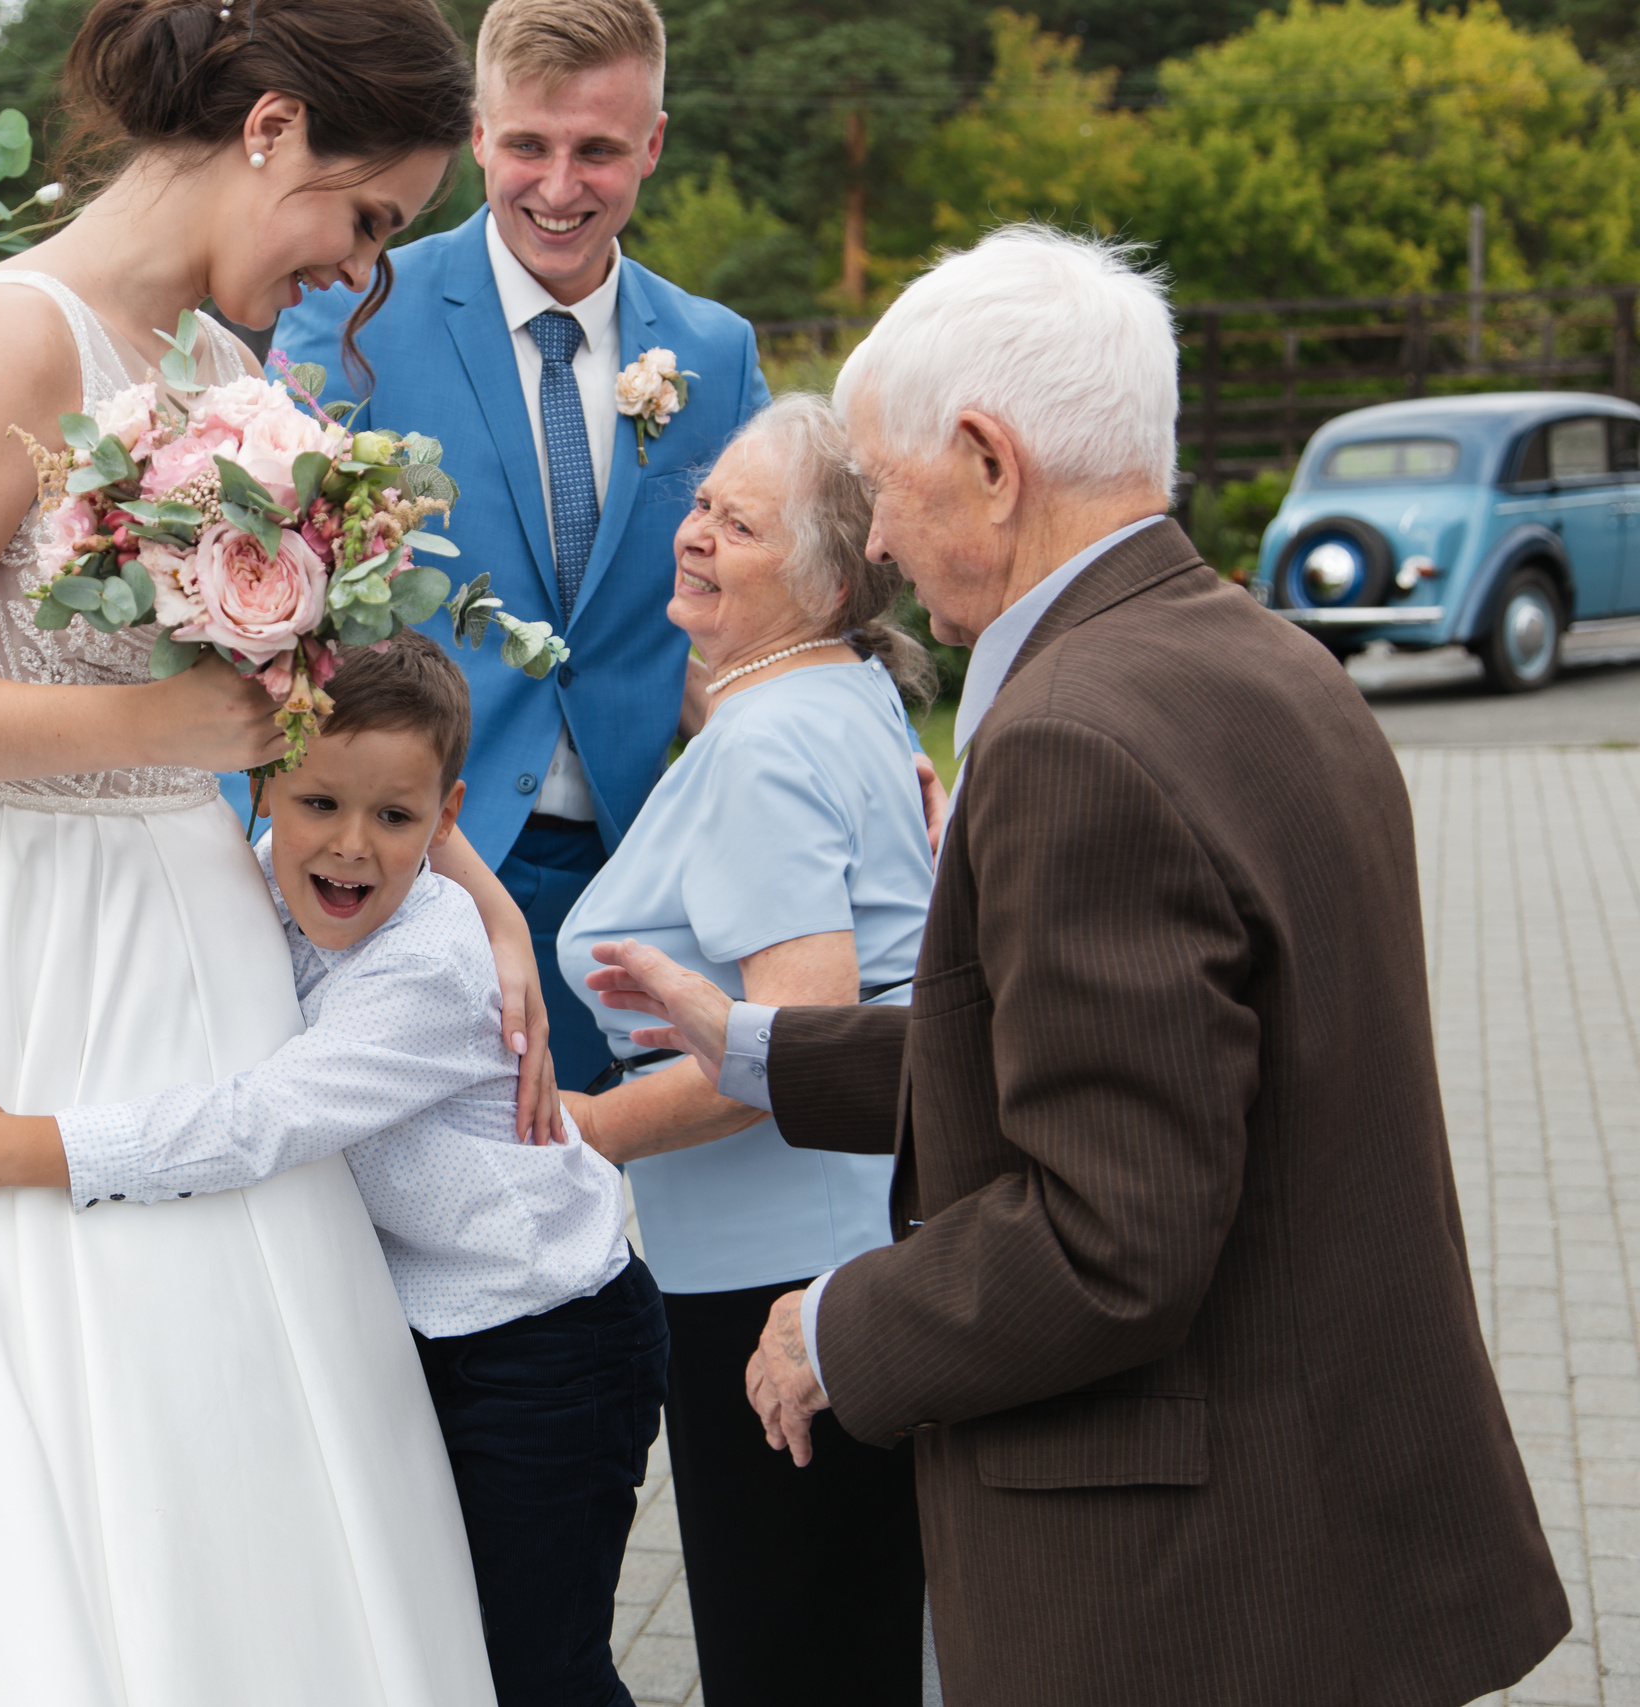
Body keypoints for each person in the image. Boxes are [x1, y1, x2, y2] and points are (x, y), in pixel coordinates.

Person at [0, 6, 531, 1702]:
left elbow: (304, 718)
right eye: (368, 217)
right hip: (14, 943)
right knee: (10, 1393)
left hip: (192, 937)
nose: (360, 273)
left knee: (214, 1375)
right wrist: (160, 736)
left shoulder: (223, 381)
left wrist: (478, 902)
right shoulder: (6, 339)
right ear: (272, 128)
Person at [586, 225, 1571, 1707]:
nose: (884, 547)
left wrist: (842, 1320)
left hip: (1187, 1573)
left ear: (990, 459)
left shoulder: (1071, 737)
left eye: (889, 490)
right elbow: (1102, 1051)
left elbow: (1113, 1234)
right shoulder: (1263, 655)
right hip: (1333, 1509)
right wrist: (757, 1048)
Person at [0, 630, 664, 1707]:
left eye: (393, 819)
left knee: (537, 1668)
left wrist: (27, 1149)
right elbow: (106, 938)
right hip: (420, 1329)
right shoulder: (249, 883)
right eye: (317, 805)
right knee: (437, 1639)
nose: (349, 846)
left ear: (447, 823)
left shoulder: (435, 971)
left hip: (547, 1347)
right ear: (261, 788)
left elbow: (258, 1119)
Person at [256, 0, 771, 1096]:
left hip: (635, 885)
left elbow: (764, 616)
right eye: (528, 144)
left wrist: (838, 732)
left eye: (598, 150)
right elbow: (259, 611)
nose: (558, 185)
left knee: (582, 1216)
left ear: (654, 145)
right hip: (405, 868)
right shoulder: (348, 315)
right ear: (479, 134)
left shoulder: (716, 355)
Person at [552, 395, 934, 1706]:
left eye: (742, 521)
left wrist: (576, 1133)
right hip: (835, 1243)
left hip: (777, 1273)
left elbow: (798, 1039)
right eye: (702, 503)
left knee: (798, 1648)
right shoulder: (837, 695)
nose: (696, 535)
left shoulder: (768, 743)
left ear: (827, 577)